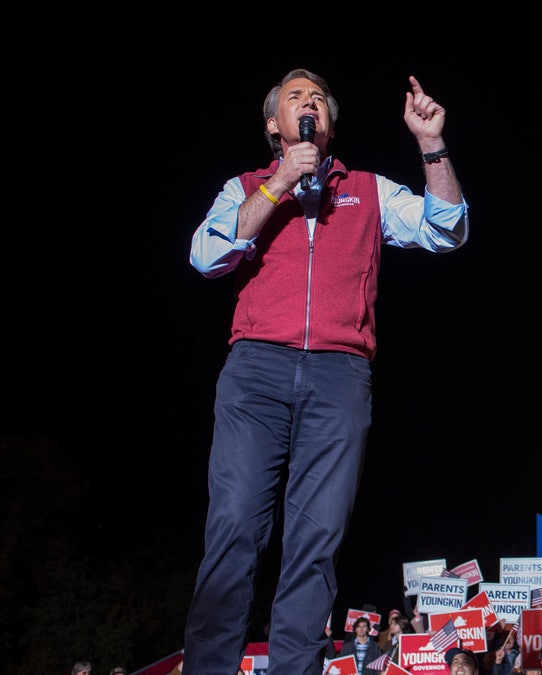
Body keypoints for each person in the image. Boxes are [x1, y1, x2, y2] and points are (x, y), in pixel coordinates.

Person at [183, 67, 469, 675]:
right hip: (256, 371)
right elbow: (207, 254)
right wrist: (280, 183)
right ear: (274, 126)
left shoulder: (367, 190)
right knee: (234, 525)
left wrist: (430, 146)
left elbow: (447, 231)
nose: (309, 102)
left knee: (315, 540)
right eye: (295, 97)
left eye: (319, 98)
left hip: (339, 376)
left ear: (330, 123)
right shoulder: (245, 186)